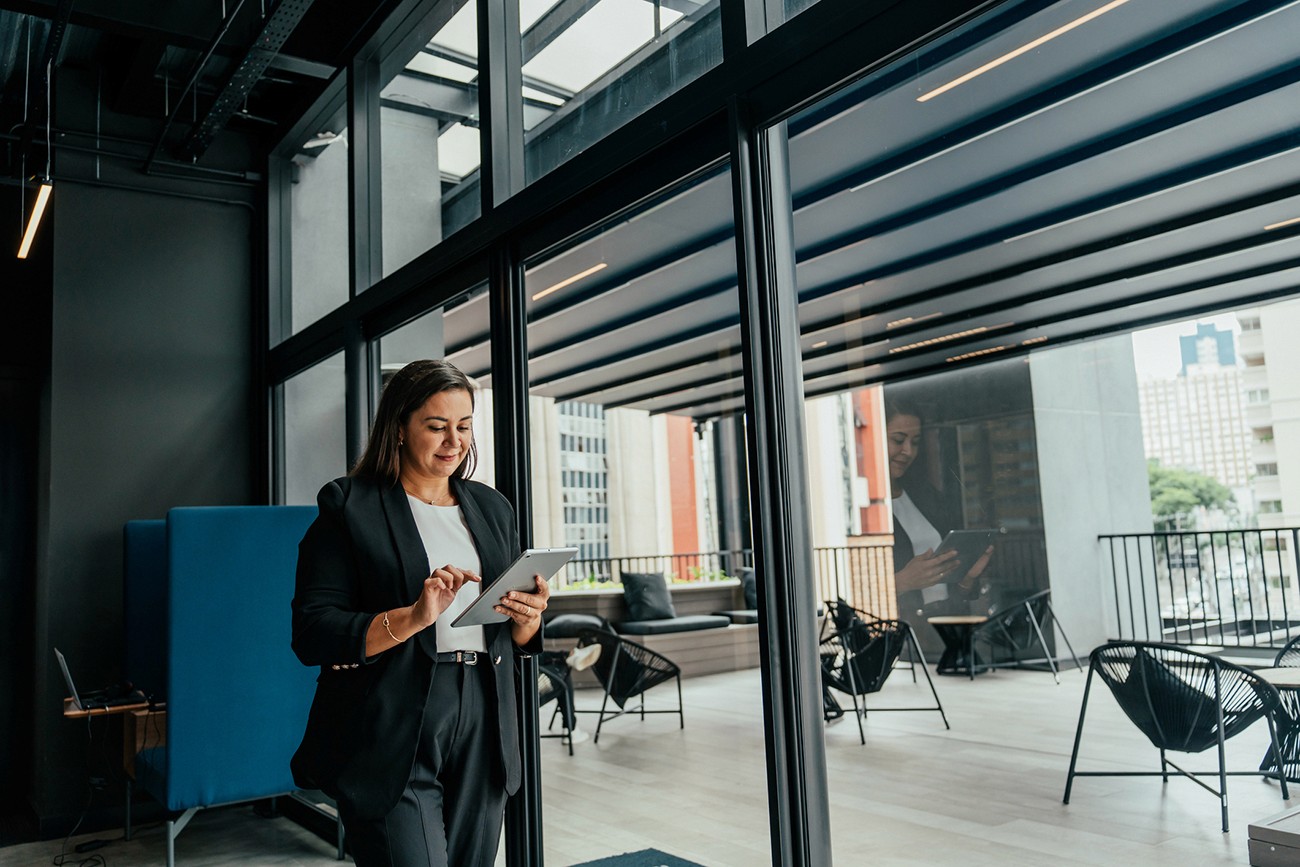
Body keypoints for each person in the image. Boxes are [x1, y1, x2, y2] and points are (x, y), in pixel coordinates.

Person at [290, 359, 549, 867]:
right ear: (400, 429)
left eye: (464, 425)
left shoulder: (493, 508)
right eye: (436, 426)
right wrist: (412, 617)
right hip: (391, 717)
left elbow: (510, 635)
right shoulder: (349, 505)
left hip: (484, 712)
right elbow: (312, 631)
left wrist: (528, 620)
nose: (454, 441)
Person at [885, 396, 992, 626]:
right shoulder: (864, 508)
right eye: (898, 440)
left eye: (915, 442)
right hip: (904, 635)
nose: (907, 451)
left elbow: (946, 588)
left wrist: (967, 576)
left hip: (942, 626)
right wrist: (901, 582)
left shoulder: (924, 495)